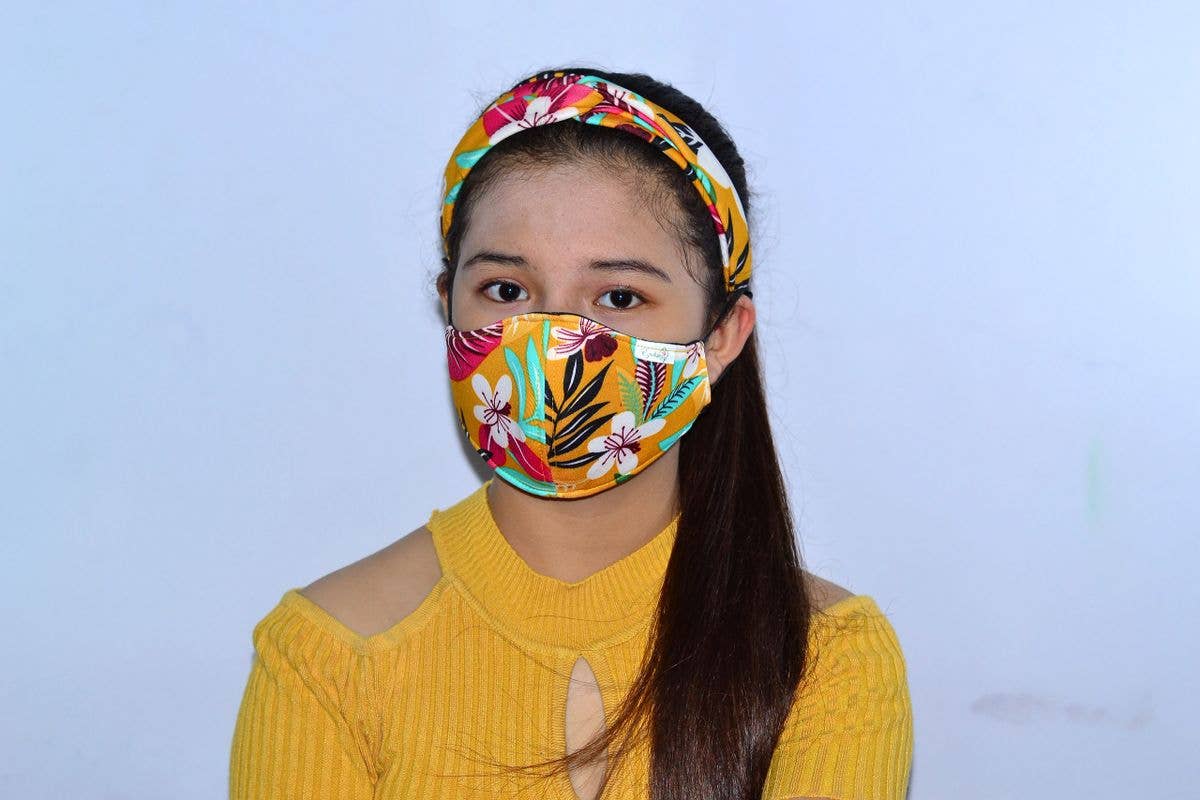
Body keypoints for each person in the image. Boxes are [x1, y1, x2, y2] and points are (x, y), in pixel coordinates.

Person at [229, 66, 913, 800]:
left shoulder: (828, 661)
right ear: (449, 305)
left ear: (721, 337)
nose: (555, 342)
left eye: (619, 296)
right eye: (506, 290)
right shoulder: (326, 655)